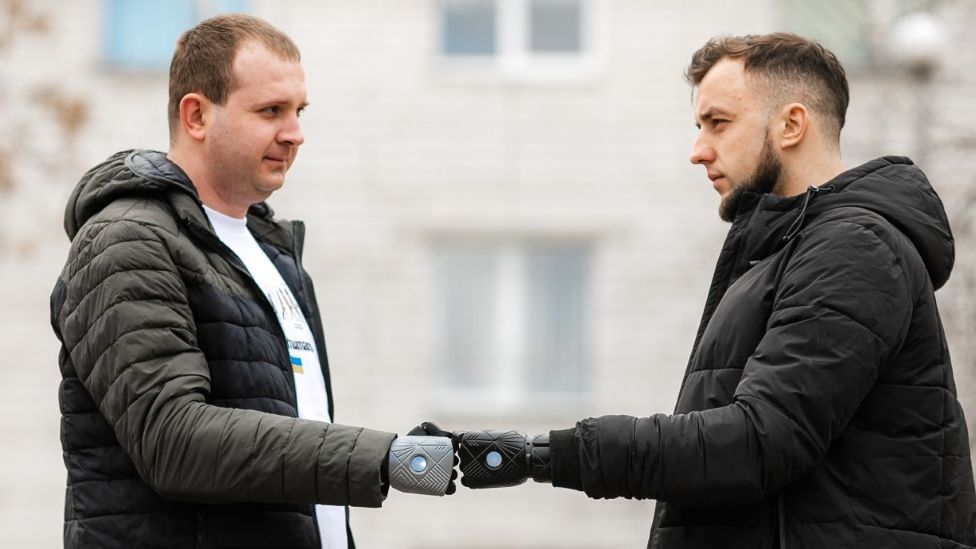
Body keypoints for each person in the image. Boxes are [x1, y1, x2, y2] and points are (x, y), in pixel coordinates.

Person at [436, 32, 976, 548]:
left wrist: (541, 455)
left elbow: (755, 443)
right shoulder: (789, 252)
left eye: (718, 123)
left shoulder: (853, 248)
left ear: (791, 125)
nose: (698, 150)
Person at [50, 14, 455, 549]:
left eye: (299, 111)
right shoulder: (126, 241)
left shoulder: (274, 252)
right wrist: (381, 457)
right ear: (195, 115)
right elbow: (175, 442)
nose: (295, 134)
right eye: (270, 111)